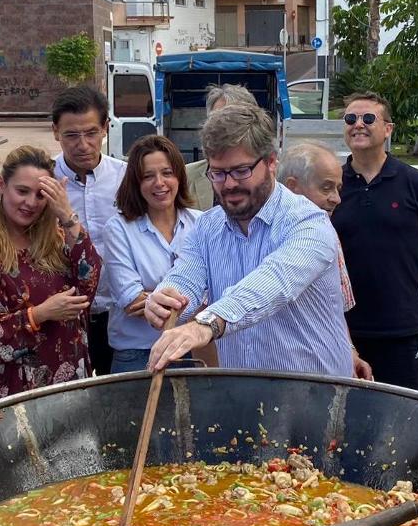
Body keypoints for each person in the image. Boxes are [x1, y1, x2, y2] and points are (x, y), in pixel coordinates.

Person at [144, 102, 352, 377]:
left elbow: (272, 282)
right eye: (218, 173)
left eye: (241, 170)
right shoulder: (206, 228)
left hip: (316, 401)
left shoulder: (309, 223)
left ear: (271, 162)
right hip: (242, 400)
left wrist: (206, 324)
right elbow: (184, 280)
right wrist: (163, 299)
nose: (228, 184)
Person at [0, 145, 101, 406]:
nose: (31, 203)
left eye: (41, 195)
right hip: (14, 393)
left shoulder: (55, 235)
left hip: (66, 385)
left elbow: (88, 285)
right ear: (1, 185)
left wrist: (68, 218)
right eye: (22, 191)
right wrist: (39, 314)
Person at [331, 91, 418, 391]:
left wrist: (406, 276)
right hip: (343, 329)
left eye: (368, 118)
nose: (358, 124)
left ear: (388, 129)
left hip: (401, 328)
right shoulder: (332, 183)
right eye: (351, 118)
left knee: (405, 417)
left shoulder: (416, 184)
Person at [103, 135, 201, 373]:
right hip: (137, 355)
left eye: (167, 173)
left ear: (179, 175)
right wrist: (191, 303)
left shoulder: (200, 223)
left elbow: (215, 289)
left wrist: (153, 301)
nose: (160, 183)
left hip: (189, 348)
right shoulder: (118, 229)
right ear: (135, 183)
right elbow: (131, 301)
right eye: (148, 176)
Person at [277, 141, 373, 381]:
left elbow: (334, 309)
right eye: (327, 188)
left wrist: (349, 351)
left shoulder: (326, 232)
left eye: (338, 188)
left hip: (326, 378)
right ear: (292, 187)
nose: (336, 199)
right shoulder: (258, 235)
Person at [51, 86, 127, 376]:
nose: (82, 144)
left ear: (105, 128)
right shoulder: (42, 181)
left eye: (91, 133)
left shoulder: (126, 178)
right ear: (56, 131)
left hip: (119, 314)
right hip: (63, 317)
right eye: (71, 135)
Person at [188, 84, 261, 210]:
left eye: (234, 120)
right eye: (217, 120)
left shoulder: (276, 174)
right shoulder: (186, 177)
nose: (224, 127)